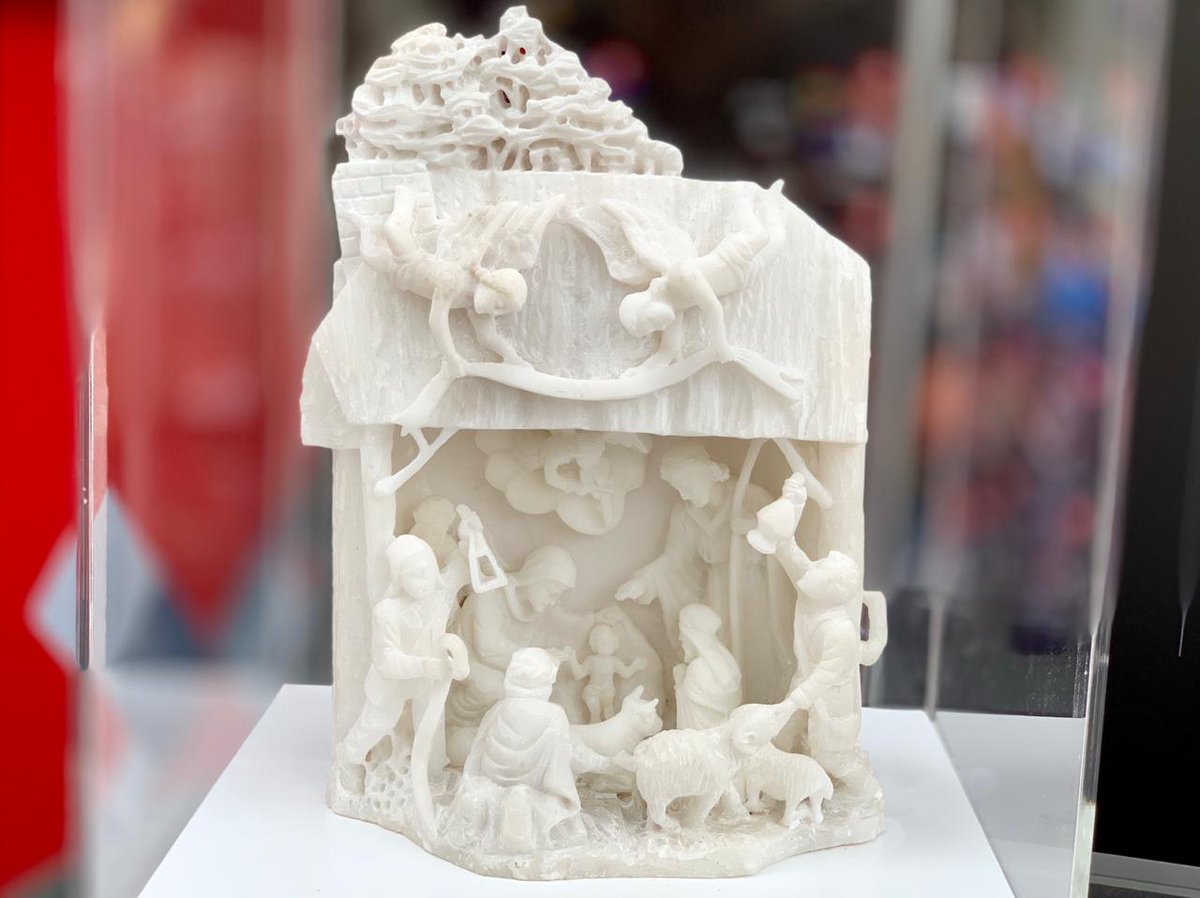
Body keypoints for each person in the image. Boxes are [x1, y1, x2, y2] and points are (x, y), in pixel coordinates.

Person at [335, 535, 469, 793]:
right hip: (392, 682)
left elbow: (461, 567)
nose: (424, 581)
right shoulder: (387, 612)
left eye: (427, 572)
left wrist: (470, 538)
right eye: (413, 576)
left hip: (428, 678)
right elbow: (386, 660)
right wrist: (424, 665)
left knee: (432, 722)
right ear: (399, 579)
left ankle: (432, 773)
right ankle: (349, 757)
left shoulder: (440, 596)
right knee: (378, 721)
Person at [443, 648, 606, 852]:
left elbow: (477, 753)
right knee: (558, 805)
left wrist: (472, 780)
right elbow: (557, 767)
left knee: (482, 790)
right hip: (534, 786)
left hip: (494, 782)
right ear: (545, 685)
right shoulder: (555, 716)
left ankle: (484, 799)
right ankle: (524, 802)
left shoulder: (497, 710)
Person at [616, 443, 769, 655]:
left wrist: (756, 527)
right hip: (717, 588)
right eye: (679, 489)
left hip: (753, 586)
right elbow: (675, 557)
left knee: (754, 644)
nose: (684, 495)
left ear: (705, 473)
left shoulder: (750, 497)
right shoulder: (685, 513)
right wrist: (644, 580)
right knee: (718, 644)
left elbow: (784, 537)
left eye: (686, 486)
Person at [445, 545, 577, 764]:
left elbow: (550, 633)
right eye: (552, 593)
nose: (553, 601)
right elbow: (487, 648)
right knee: (495, 689)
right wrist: (536, 656)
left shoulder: (534, 611)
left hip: (502, 667)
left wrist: (549, 656)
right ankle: (453, 726)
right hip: (464, 662)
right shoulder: (489, 595)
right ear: (536, 576)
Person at [673, 603, 742, 730]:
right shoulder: (728, 662)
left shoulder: (697, 668)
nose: (680, 638)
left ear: (691, 635)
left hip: (702, 737)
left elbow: (691, 723)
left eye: (682, 633)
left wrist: (680, 685)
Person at [562, 623, 649, 723]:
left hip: (607, 690)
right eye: (603, 642)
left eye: (610, 642)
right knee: (594, 706)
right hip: (592, 689)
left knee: (608, 706)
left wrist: (635, 666)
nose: (607, 645)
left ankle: (610, 723)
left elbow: (625, 673)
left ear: (615, 643)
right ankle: (595, 724)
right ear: (594, 644)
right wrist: (572, 660)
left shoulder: (614, 661)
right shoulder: (591, 660)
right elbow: (579, 674)